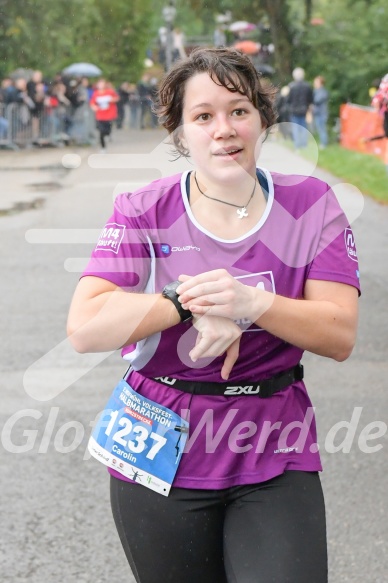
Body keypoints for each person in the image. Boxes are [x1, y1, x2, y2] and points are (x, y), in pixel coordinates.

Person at [67, 47, 360, 583]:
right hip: (160, 441)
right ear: (180, 134)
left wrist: (252, 303)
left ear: (263, 120)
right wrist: (186, 301)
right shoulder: (142, 208)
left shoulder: (311, 203)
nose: (223, 129)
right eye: (203, 116)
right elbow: (86, 328)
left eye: (239, 111)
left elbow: (339, 333)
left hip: (273, 439)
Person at [287, 66, 313, 149]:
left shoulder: (291, 86)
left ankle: (297, 145)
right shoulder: (307, 86)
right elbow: (310, 99)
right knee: (304, 127)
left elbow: (288, 99)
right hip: (304, 110)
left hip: (294, 110)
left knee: (296, 128)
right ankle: (304, 144)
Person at [89, 78, 119, 151]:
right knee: (101, 131)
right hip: (100, 115)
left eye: (102, 84)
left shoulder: (110, 92)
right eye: (100, 84)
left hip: (109, 114)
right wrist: (94, 107)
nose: (101, 85)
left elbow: (117, 98)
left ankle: (108, 135)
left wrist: (112, 100)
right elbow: (92, 102)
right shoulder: (96, 93)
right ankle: (103, 147)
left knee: (107, 129)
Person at [312, 75, 329, 149]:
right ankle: (323, 142)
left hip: (322, 113)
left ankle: (324, 143)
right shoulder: (316, 91)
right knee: (320, 128)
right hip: (317, 113)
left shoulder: (322, 92)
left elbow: (316, 100)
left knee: (322, 129)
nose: (315, 83)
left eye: (316, 82)